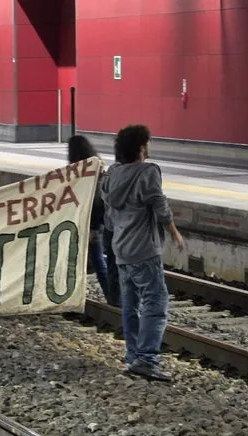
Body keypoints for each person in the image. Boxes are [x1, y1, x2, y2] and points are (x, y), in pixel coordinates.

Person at [102, 125, 184, 382]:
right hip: (143, 249)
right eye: (148, 143)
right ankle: (147, 359)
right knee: (155, 301)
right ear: (141, 147)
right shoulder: (148, 172)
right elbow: (160, 205)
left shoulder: (112, 173)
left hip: (120, 248)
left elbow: (109, 216)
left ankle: (133, 355)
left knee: (130, 303)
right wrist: (174, 232)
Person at [67, 135, 110, 302]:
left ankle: (110, 295)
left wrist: (93, 228)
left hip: (88, 224)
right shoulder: (97, 169)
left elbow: (95, 202)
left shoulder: (82, 173)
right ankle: (111, 295)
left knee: (90, 261)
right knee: (98, 261)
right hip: (92, 224)